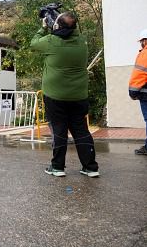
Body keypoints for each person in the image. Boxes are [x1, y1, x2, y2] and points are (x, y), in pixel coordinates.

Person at [30, 11, 99, 177]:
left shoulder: (51, 41)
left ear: (56, 26)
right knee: (81, 131)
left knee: (59, 131)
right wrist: (60, 20)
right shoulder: (82, 42)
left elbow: (33, 43)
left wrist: (44, 27)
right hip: (79, 96)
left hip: (55, 96)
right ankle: (90, 167)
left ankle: (58, 167)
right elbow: (69, 29)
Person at [128, 29, 147, 155]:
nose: (141, 44)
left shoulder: (145, 53)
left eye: (141, 41)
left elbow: (139, 74)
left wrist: (133, 92)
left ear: (145, 40)